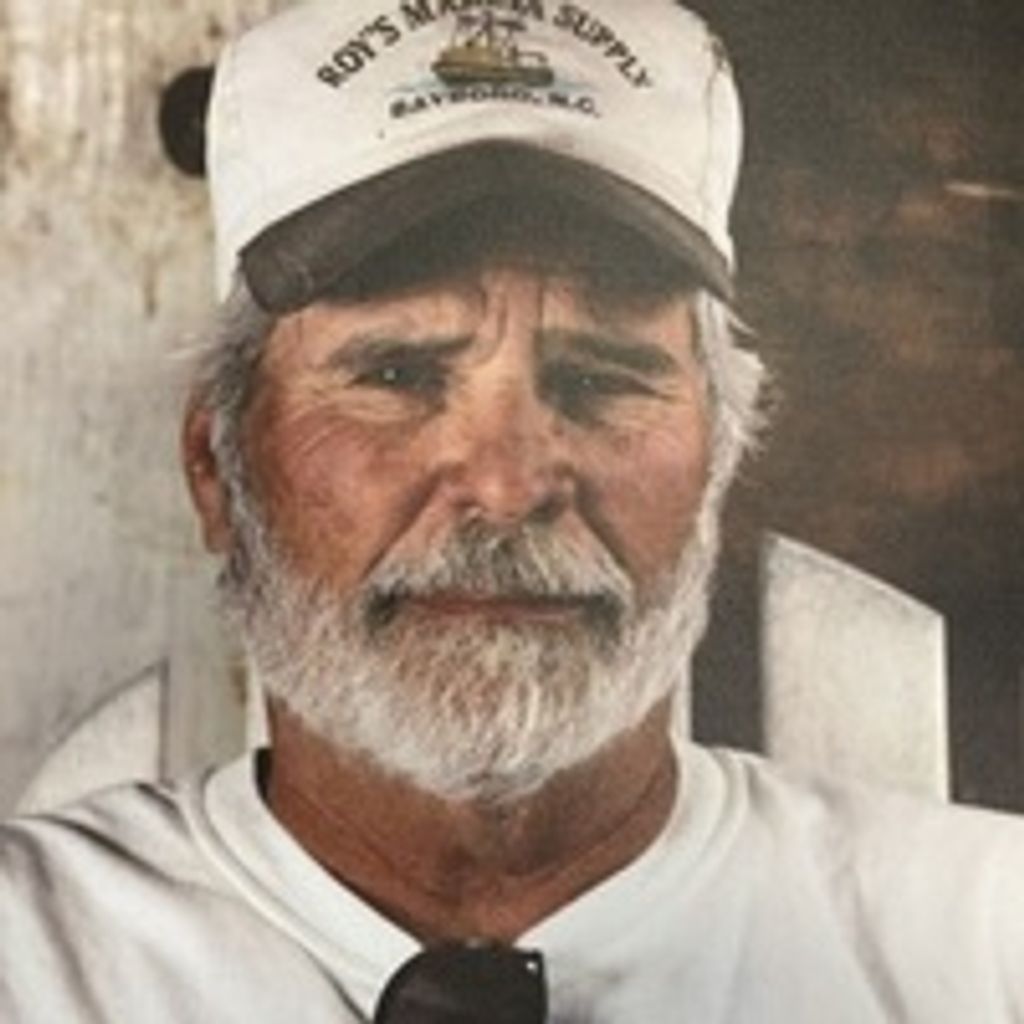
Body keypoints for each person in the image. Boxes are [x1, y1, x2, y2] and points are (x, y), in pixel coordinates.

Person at [2, 1, 1023, 1021]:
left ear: (718, 459)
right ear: (217, 468)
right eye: (396, 374)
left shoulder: (982, 945)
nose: (507, 486)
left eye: (601, 379)